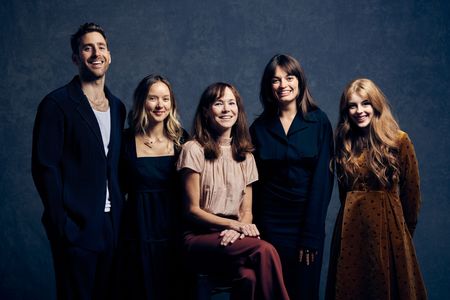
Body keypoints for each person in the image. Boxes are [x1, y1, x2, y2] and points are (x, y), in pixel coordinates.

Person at [31, 23, 126, 300]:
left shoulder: (118, 107)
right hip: (77, 227)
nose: (96, 53)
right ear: (76, 58)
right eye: (87, 48)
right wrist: (63, 224)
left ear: (109, 54)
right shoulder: (57, 104)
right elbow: (44, 167)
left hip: (112, 225)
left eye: (101, 47)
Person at [176, 82, 290, 300]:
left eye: (231, 102)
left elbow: (247, 211)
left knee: (249, 277)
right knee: (264, 250)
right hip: (198, 238)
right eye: (219, 103)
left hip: (233, 238)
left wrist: (238, 229)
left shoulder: (245, 155)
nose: (227, 109)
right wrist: (233, 224)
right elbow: (192, 211)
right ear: (206, 112)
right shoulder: (193, 149)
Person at [325, 78, 427, 299]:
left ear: (376, 105)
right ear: (346, 110)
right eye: (352, 105)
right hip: (351, 231)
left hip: (390, 229)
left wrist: (401, 236)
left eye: (365, 103)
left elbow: (412, 195)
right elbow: (344, 194)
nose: (359, 111)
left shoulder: (399, 141)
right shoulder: (344, 142)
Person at [250, 54, 334, 299]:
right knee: (272, 292)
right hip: (269, 225)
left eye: (289, 77)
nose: (283, 85)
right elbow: (254, 184)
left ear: (300, 81)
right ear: (269, 86)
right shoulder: (259, 128)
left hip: (306, 224)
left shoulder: (319, 122)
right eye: (275, 80)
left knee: (304, 291)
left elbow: (323, 182)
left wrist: (311, 233)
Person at [116, 74, 188, 299]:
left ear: (172, 103)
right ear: (142, 102)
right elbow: (116, 187)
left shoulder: (182, 140)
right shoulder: (124, 140)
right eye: (153, 98)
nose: (160, 105)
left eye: (165, 99)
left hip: (173, 228)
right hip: (136, 228)